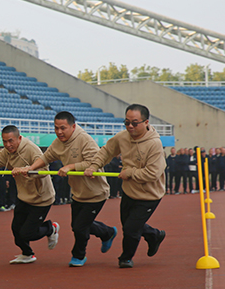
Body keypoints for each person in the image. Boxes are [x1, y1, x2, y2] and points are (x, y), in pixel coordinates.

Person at [16, 111, 117, 267]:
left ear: (73, 127)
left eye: (63, 128)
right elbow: (46, 157)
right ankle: (107, 233)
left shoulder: (84, 140)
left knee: (80, 227)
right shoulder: (58, 142)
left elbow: (96, 162)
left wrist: (71, 166)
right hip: (78, 192)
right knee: (78, 225)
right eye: (56, 128)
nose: (59, 132)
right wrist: (31, 167)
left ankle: (79, 256)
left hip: (96, 193)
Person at [84, 104, 166, 269]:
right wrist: (94, 166)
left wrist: (130, 172)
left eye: (134, 123)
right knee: (129, 225)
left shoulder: (154, 144)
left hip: (149, 195)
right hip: (129, 191)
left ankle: (126, 258)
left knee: (130, 229)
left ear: (146, 122)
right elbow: (106, 152)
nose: (130, 126)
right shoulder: (122, 137)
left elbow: (153, 173)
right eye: (126, 122)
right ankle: (154, 235)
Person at [0, 125, 58, 264]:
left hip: (41, 198)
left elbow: (44, 170)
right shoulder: (6, 152)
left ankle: (50, 229)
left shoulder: (31, 149)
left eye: (11, 141)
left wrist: (25, 169)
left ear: (19, 138)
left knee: (27, 233)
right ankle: (27, 254)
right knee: (16, 229)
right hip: (24, 197)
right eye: (4, 141)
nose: (8, 145)